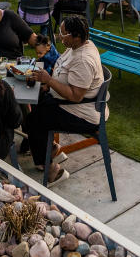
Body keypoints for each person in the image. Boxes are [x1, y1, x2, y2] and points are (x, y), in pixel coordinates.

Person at [25, 15, 107, 184]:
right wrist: (48, 85)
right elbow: (64, 70)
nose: (59, 37)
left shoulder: (84, 60)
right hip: (65, 102)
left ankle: (51, 169)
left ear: (76, 36)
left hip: (81, 113)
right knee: (33, 105)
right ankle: (49, 149)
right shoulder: (77, 45)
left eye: (63, 35)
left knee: (34, 119)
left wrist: (49, 81)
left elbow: (75, 96)